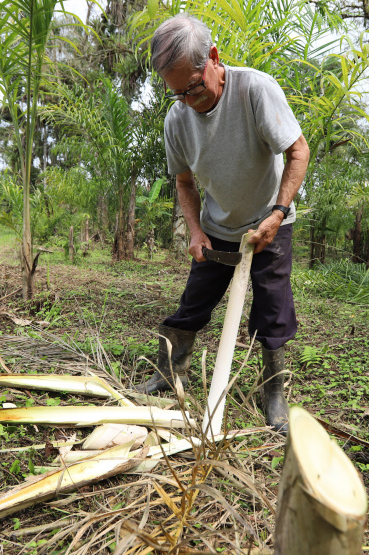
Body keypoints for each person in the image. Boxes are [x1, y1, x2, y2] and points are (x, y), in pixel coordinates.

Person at [134, 14, 309, 434]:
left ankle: (273, 392)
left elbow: (298, 152)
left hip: (270, 221)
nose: (189, 101)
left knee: (273, 308)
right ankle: (168, 373)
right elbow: (184, 181)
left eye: (194, 87)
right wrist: (196, 230)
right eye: (177, 94)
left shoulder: (255, 90)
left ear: (213, 58)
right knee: (193, 302)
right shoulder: (177, 119)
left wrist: (278, 213)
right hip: (216, 228)